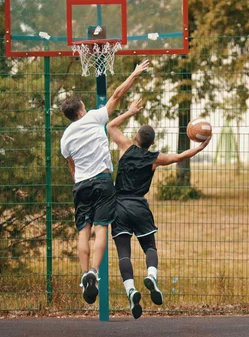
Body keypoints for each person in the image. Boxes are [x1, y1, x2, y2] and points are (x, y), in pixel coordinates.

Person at [106, 98, 211, 318]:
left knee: (123, 254)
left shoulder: (125, 148)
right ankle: (152, 277)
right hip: (139, 207)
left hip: (119, 206)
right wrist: (199, 147)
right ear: (151, 144)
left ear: (136, 138)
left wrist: (131, 111)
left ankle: (131, 291)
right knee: (150, 248)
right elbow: (180, 156)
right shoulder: (155, 158)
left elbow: (110, 126)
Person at [60, 60, 150, 304]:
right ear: (81, 110)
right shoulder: (94, 117)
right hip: (102, 181)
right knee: (101, 229)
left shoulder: (65, 138)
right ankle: (94, 273)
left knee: (83, 230)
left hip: (81, 184)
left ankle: (83, 274)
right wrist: (134, 72)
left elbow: (73, 168)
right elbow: (118, 94)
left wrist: (80, 183)